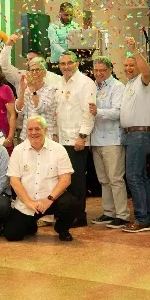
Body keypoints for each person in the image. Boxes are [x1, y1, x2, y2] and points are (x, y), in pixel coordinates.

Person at [4, 116, 81, 242]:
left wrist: (49, 200)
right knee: (12, 235)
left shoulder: (58, 149)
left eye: (37, 129)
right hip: (27, 204)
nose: (34, 132)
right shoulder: (18, 151)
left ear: (45, 130)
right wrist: (29, 202)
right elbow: (14, 181)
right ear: (26, 131)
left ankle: (62, 229)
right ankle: (30, 225)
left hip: (52, 200)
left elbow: (65, 179)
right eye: (30, 129)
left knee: (72, 204)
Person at [119, 36, 150, 233]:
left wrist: (134, 49)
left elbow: (146, 70)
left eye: (131, 65)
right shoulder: (129, 84)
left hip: (140, 135)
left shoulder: (146, 81)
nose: (128, 68)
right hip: (130, 136)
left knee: (134, 176)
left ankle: (143, 219)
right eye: (126, 65)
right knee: (140, 177)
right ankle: (146, 218)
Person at [54, 51, 96, 227]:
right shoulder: (59, 83)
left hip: (76, 140)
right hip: (62, 140)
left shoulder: (85, 83)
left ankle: (79, 216)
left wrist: (82, 136)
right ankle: (67, 214)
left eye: (69, 63)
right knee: (64, 179)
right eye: (62, 64)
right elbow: (58, 111)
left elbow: (89, 112)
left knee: (77, 180)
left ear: (77, 64)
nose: (66, 67)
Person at [88, 56, 128, 229]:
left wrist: (98, 112)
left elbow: (118, 112)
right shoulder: (92, 86)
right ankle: (109, 212)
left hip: (113, 140)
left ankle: (122, 215)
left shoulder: (117, 87)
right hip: (96, 139)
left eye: (102, 70)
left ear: (110, 70)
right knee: (103, 180)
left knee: (115, 179)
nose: (99, 73)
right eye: (96, 70)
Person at [15, 57, 58, 141]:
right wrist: (22, 90)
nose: (34, 73)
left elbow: (40, 108)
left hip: (44, 136)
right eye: (32, 70)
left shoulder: (50, 90)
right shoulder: (27, 90)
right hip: (27, 136)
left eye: (37, 70)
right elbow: (19, 109)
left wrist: (32, 89)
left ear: (44, 73)